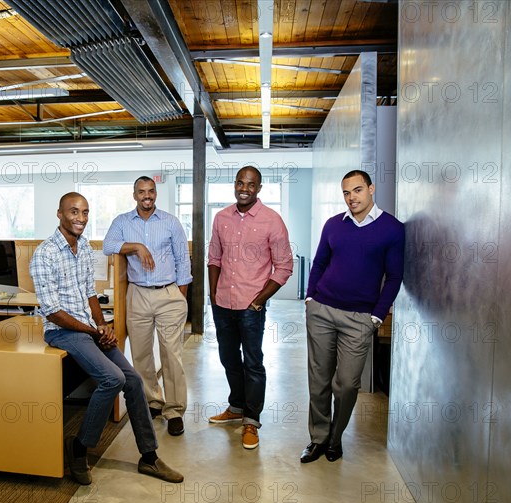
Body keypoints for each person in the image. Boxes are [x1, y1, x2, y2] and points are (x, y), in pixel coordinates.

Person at [30, 192, 183, 485]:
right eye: (74, 212)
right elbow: (52, 311)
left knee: (134, 380)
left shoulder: (85, 247)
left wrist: (103, 325)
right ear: (59, 214)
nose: (81, 218)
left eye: (85, 212)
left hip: (88, 328)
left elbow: (90, 293)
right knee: (113, 379)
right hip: (63, 332)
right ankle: (79, 446)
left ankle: (149, 457)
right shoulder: (45, 253)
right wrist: (92, 331)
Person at [300, 170, 405, 464]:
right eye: (346, 193)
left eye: (357, 190)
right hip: (322, 310)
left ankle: (336, 438)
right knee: (318, 379)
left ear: (371, 189)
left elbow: (395, 276)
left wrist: (376, 317)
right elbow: (319, 263)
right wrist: (310, 298)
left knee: (346, 384)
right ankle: (318, 439)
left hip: (360, 318)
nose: (352, 198)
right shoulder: (334, 225)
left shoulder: (392, 229)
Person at [207, 165, 293, 449]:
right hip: (223, 305)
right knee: (228, 359)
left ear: (259, 188)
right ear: (234, 184)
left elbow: (284, 266)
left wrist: (259, 300)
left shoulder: (272, 221)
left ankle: (251, 421)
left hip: (251, 307)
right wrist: (213, 295)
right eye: (240, 183)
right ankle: (236, 406)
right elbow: (214, 259)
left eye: (251, 184)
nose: (244, 188)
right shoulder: (221, 218)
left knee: (252, 363)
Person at [103, 176, 192, 437]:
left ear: (155, 193)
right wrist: (136, 247)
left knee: (171, 354)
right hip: (137, 294)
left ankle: (174, 410)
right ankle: (153, 401)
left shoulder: (170, 222)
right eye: (141, 192)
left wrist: (179, 295)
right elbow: (109, 246)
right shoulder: (122, 222)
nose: (147, 196)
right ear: (134, 195)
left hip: (168, 293)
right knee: (141, 354)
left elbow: (182, 260)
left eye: (151, 191)